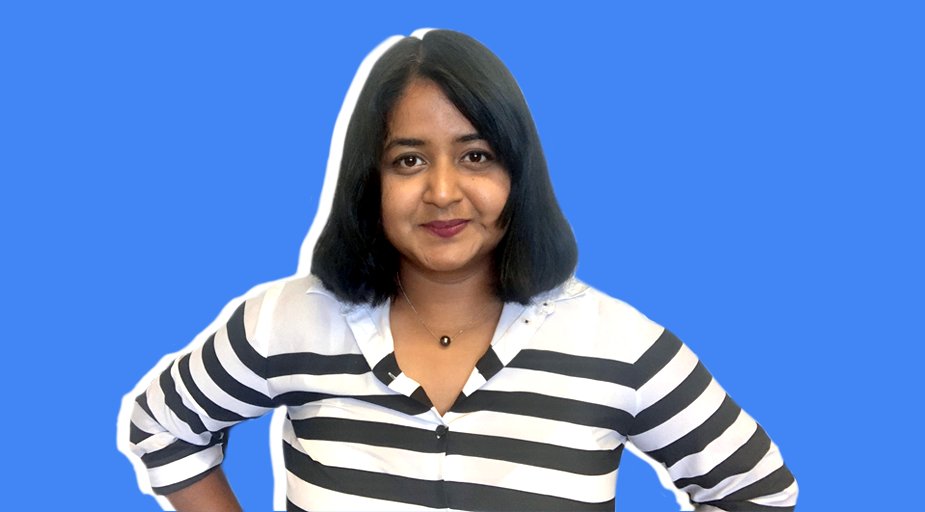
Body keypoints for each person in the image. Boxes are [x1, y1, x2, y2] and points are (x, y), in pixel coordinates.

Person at [119, 30, 798, 511]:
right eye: (408, 160)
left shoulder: (616, 345)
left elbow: (756, 492)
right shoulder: (289, 322)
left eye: (475, 156)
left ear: (517, 171)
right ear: (369, 180)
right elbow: (161, 425)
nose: (442, 192)